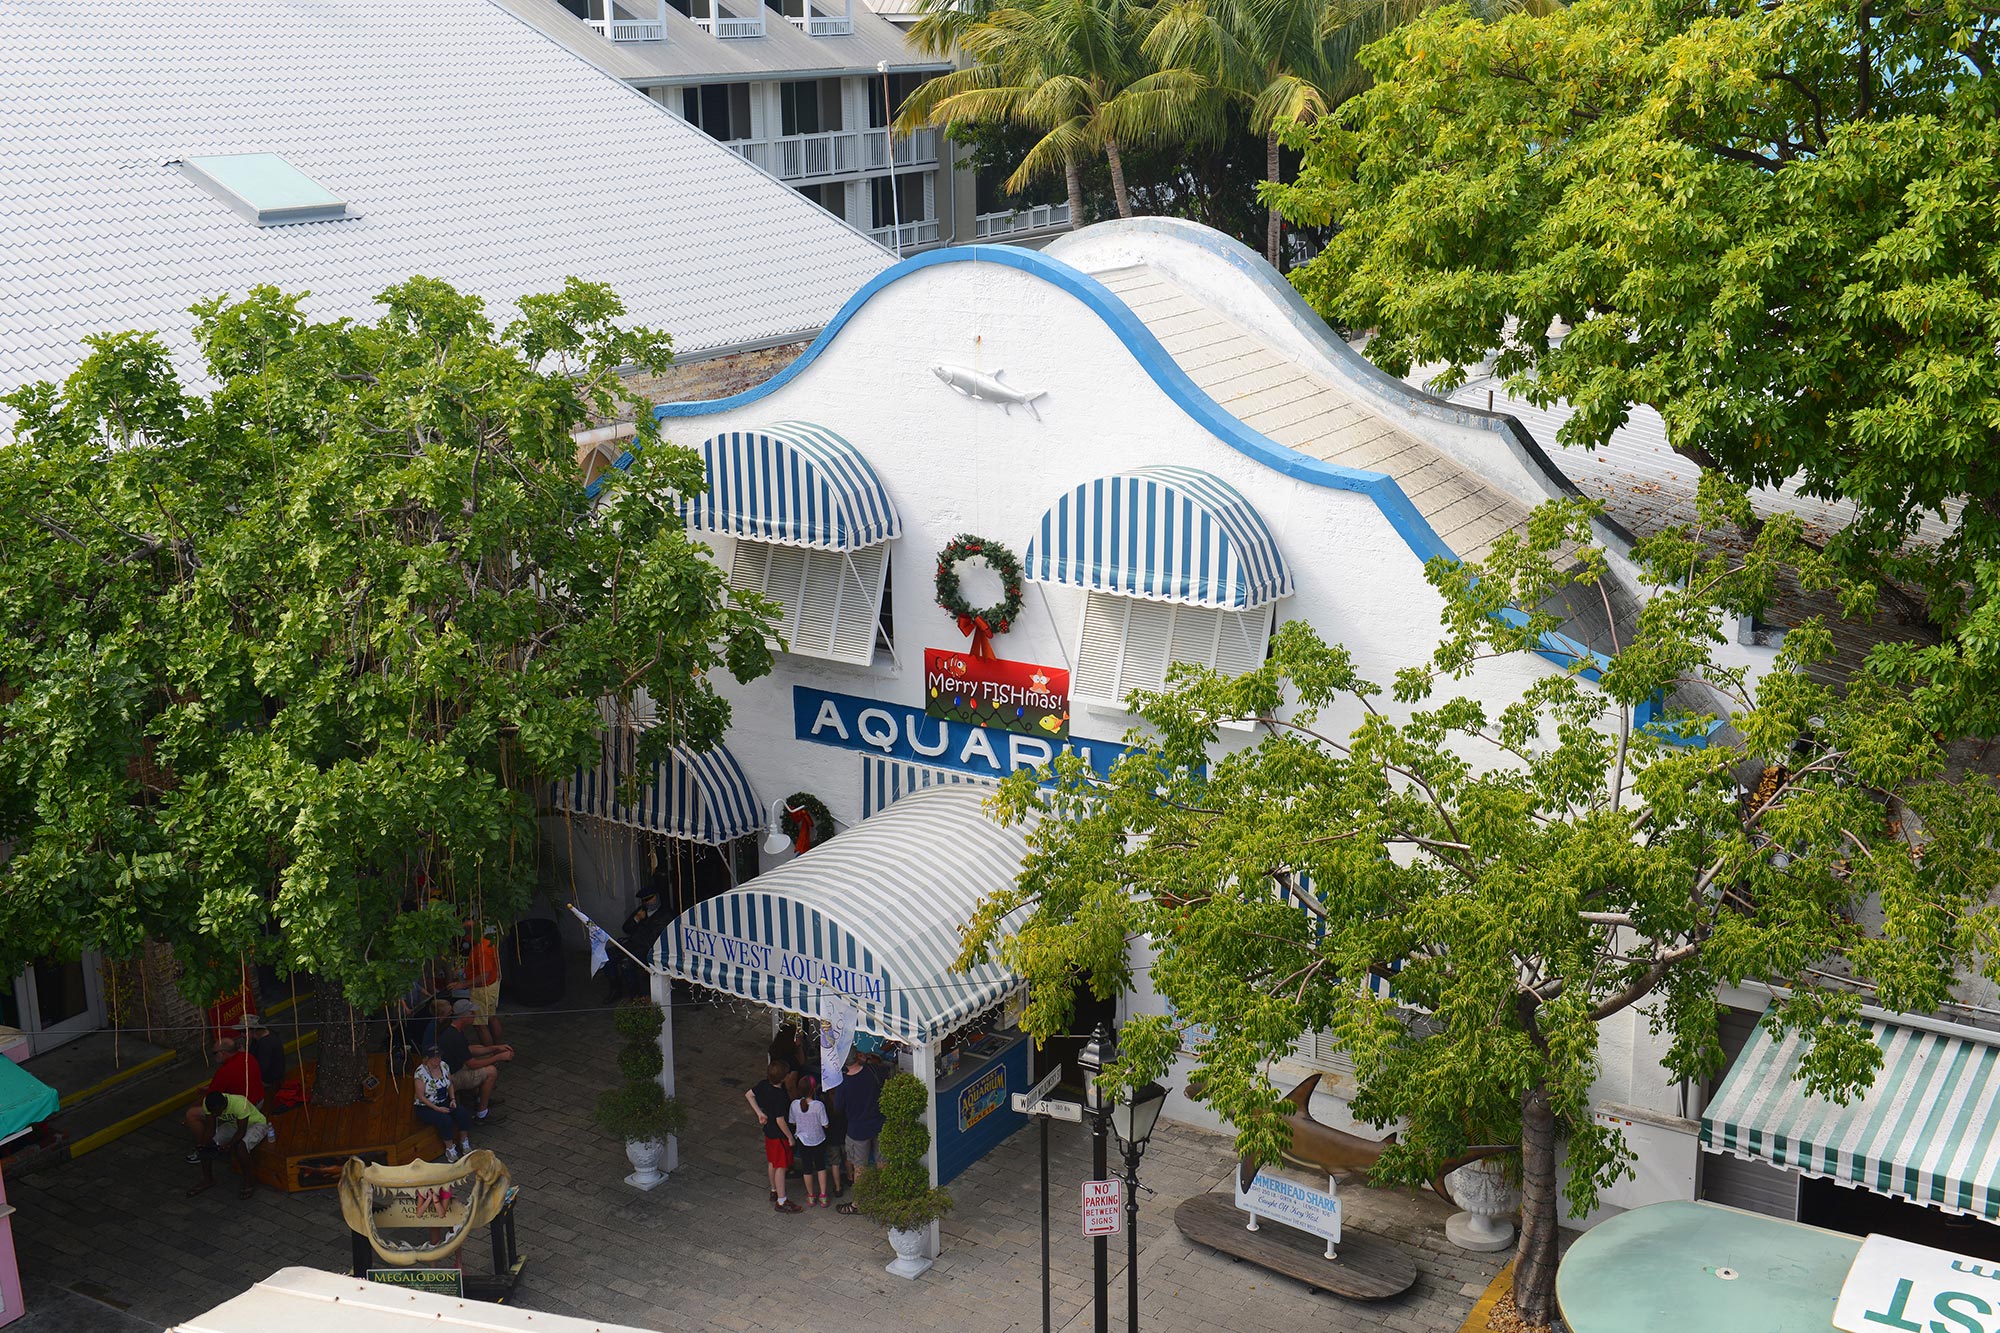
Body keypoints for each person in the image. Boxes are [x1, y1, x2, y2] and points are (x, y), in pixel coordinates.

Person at [183, 1036, 264, 1162]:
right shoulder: (248, 1057)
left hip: (246, 1107)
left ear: (223, 1053)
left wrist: (192, 1106)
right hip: (259, 1100)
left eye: (215, 1053)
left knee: (192, 1114)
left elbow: (209, 1098)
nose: (214, 1056)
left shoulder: (224, 1071)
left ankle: (202, 1148)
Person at [435, 998, 512, 1118]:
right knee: (491, 1071)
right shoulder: (455, 1036)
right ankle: (482, 1113)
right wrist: (498, 1057)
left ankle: (479, 1097)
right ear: (464, 1017)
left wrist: (495, 1048)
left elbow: (468, 1049)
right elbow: (472, 1064)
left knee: (482, 1051)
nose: (474, 1015)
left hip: (450, 1068)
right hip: (451, 1077)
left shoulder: (453, 1028)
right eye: (472, 1013)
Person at [188, 1090, 269, 1199]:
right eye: (212, 1112)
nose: (214, 1115)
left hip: (255, 1124)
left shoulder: (240, 1103)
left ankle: (249, 1181)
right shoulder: (209, 1104)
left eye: (216, 1112)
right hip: (234, 1124)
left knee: (241, 1147)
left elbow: (241, 1131)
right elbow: (210, 1129)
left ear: (223, 1105)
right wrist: (203, 1144)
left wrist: (229, 1145)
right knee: (207, 1146)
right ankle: (208, 1180)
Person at [833, 1049, 886, 1213]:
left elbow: (838, 1108)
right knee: (882, 1162)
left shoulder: (843, 1084)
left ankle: (859, 1204)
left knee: (860, 1168)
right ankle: (885, 1196)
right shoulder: (872, 1071)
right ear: (858, 1057)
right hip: (878, 1123)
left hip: (858, 1129)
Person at [745, 1061, 802, 1213]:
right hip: (779, 1136)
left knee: (772, 1161)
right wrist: (790, 1137)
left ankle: (774, 1190)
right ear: (783, 1078)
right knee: (781, 1167)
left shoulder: (763, 1085)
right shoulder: (780, 1096)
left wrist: (760, 1113)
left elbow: (749, 1095)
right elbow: (780, 1120)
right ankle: (782, 1201)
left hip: (769, 1132)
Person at [412, 1044, 474, 1163]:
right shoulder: (420, 1073)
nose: (438, 1060)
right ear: (427, 1059)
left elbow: (449, 1083)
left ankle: (464, 1141)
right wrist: (437, 1108)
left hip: (444, 1100)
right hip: (426, 1106)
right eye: (435, 1058)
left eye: (439, 1057)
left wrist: (452, 1099)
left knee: (461, 1112)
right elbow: (420, 1096)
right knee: (445, 1120)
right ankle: (450, 1149)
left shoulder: (444, 1065)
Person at [609, 888, 666, 1003]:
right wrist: (637, 919)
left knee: (626, 962)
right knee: (608, 956)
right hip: (632, 944)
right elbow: (626, 928)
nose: (649, 902)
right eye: (645, 900)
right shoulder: (641, 911)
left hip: (649, 949)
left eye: (651, 899)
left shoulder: (665, 914)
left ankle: (635, 995)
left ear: (657, 897)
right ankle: (615, 989)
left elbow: (658, 937)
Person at [789, 1077, 832, 1207]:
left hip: (802, 1141)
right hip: (818, 1140)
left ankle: (811, 1195)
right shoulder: (818, 1106)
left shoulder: (794, 1105)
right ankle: (823, 1195)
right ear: (813, 1090)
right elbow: (825, 1124)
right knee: (820, 1166)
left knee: (807, 1169)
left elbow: (792, 1122)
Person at [464, 923, 503, 1045]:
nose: (464, 940)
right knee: (491, 1017)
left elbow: (484, 976)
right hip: (491, 986)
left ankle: (490, 1053)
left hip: (482, 990)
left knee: (480, 1024)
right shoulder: (487, 941)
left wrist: (463, 984)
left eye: (464, 937)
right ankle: (498, 1047)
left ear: (470, 935)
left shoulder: (482, 948)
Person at [233, 1015, 285, 1099]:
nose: (242, 1035)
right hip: (268, 1074)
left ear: (253, 1030)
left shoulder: (265, 1043)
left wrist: (244, 1055)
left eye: (244, 1031)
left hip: (269, 1078)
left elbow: (260, 1069)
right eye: (240, 1032)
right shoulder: (258, 1038)